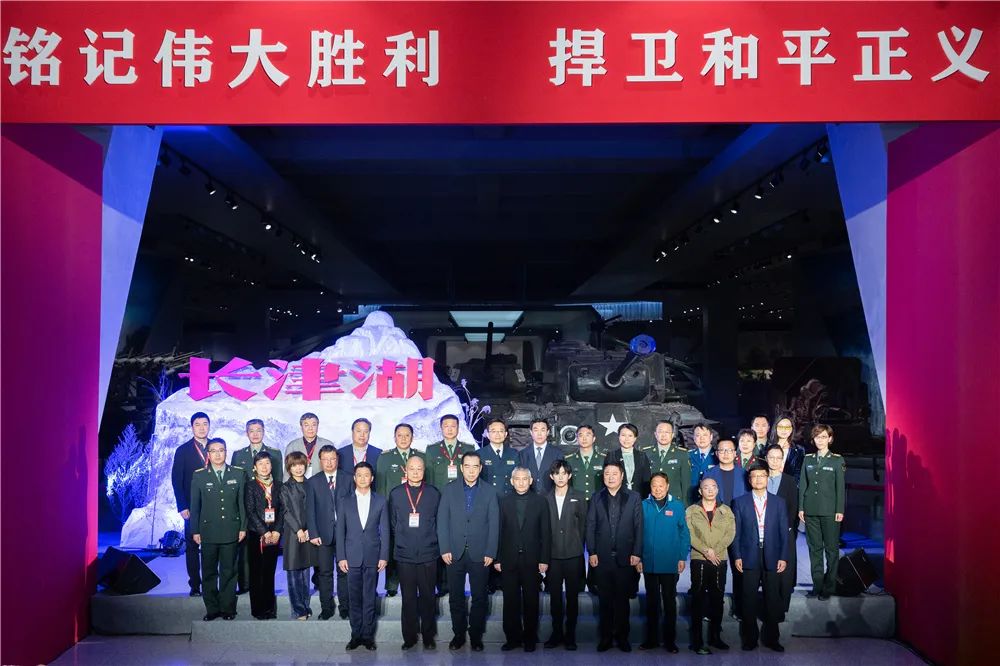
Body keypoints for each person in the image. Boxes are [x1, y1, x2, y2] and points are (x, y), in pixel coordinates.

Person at [437, 450, 500, 652]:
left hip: (480, 553)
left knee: (479, 597)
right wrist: (444, 548)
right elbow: (442, 521)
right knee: (455, 597)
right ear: (461, 468)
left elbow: (494, 524)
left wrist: (491, 551)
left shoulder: (490, 491)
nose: (471, 471)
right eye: (467, 466)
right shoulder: (449, 489)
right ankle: (458, 635)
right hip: (454, 552)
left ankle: (476, 636)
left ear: (480, 468)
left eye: (475, 467)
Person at [586, 462, 643, 652]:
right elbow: (590, 526)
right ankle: (606, 638)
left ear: (622, 476)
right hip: (602, 557)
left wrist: (636, 553)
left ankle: (622, 637)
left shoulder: (634, 497)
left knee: (622, 601)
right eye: (607, 474)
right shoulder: (596, 497)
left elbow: (639, 527)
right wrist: (592, 552)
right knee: (604, 601)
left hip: (626, 557)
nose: (610, 477)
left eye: (614, 473)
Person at [732, 465, 789, 652]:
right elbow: (736, 533)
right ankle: (750, 639)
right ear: (749, 480)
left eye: (762, 476)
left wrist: (783, 556)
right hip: (749, 554)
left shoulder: (778, 502)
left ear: (767, 478)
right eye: (754, 476)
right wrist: (737, 555)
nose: (758, 479)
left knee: (772, 597)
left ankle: (772, 639)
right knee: (748, 598)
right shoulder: (739, 502)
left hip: (772, 554)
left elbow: (784, 532)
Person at [190, 437, 246, 622]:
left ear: (226, 452)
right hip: (208, 531)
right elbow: (195, 506)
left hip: (231, 529)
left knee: (229, 572)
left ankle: (227, 608)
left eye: (221, 450)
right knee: (209, 572)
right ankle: (212, 609)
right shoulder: (199, 475)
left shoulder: (238, 474)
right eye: (213, 451)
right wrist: (195, 531)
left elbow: (242, 504)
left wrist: (243, 527)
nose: (217, 454)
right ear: (208, 454)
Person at [496, 467, 551, 652]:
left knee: (531, 601)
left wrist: (544, 559)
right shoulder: (503, 502)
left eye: (524, 479)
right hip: (508, 559)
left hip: (532, 559)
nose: (521, 482)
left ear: (531, 481)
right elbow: (498, 532)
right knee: (510, 601)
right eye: (517, 479)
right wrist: (497, 558)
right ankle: (512, 639)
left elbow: (546, 533)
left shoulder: (540, 501)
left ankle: (529, 639)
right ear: (512, 481)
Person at [389, 456, 441, 650]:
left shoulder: (433, 493)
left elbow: (438, 522)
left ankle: (428, 636)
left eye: (419, 469)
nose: (416, 472)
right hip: (405, 554)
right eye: (412, 468)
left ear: (424, 471)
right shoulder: (396, 493)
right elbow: (393, 524)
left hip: (428, 553)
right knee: (408, 598)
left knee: (428, 597)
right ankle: (409, 637)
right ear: (406, 470)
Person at [337, 462, 389, 651]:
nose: (363, 478)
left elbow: (385, 531)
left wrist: (384, 556)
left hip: (372, 556)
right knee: (354, 598)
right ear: (354, 478)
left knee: (369, 597)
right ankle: (355, 635)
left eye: (366, 475)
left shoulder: (380, 501)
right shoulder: (345, 501)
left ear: (372, 478)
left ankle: (368, 636)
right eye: (359, 475)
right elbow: (340, 531)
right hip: (351, 557)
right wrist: (341, 557)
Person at [425, 413, 477, 597]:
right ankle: (442, 585)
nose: (449, 429)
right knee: (442, 540)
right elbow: (429, 479)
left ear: (458, 428)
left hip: (462, 503)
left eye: (453, 426)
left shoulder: (468, 448)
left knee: (458, 540)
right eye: (446, 426)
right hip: (439, 502)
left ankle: (458, 582)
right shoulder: (432, 450)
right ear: (441, 428)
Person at [638, 472, 690, 653]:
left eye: (661, 485)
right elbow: (637, 534)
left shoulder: (677, 506)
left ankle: (670, 641)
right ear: (650, 487)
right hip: (649, 562)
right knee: (651, 603)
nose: (657, 489)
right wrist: (638, 557)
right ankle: (651, 639)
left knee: (669, 602)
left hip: (670, 562)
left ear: (667, 486)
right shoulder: (643, 505)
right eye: (654, 485)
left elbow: (684, 533)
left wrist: (682, 557)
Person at [231, 418, 283, 594]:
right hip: (245, 505)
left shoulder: (274, 454)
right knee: (245, 547)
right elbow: (236, 483)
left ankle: (266, 587)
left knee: (268, 551)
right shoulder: (239, 455)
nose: (255, 434)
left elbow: (278, 482)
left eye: (258, 430)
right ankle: (245, 583)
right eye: (251, 430)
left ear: (264, 432)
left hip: (267, 509)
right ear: (247, 433)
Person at [685, 477, 735, 655]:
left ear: (717, 490)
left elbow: (730, 533)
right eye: (706, 487)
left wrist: (716, 551)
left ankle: (715, 637)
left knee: (717, 597)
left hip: (719, 559)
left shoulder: (726, 510)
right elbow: (689, 533)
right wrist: (706, 550)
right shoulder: (692, 510)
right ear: (700, 491)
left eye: (713, 487)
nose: (710, 490)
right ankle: (697, 640)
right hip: (699, 558)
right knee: (698, 597)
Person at [375, 422, 424, 597]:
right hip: (393, 509)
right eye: (400, 435)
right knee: (393, 545)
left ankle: (416, 582)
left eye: (407, 435)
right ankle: (392, 583)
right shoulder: (385, 458)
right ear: (394, 437)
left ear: (412, 437)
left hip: (415, 508)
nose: (403, 439)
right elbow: (381, 487)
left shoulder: (421, 456)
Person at [305, 444, 353, 620]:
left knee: (344, 572)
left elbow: (354, 507)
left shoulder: (348, 478)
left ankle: (345, 607)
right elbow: (310, 510)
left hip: (345, 534)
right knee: (324, 573)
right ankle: (326, 608)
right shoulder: (313, 482)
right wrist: (313, 533)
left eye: (332, 458)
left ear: (337, 459)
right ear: (320, 461)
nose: (329, 462)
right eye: (325, 459)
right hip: (322, 535)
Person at [798, 424, 846, 601]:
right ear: (813, 439)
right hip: (811, 509)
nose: (820, 440)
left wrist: (839, 509)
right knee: (814, 549)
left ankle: (829, 586)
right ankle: (817, 585)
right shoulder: (808, 459)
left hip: (830, 511)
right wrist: (801, 507)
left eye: (824, 437)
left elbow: (840, 488)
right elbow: (803, 484)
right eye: (817, 437)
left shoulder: (837, 460)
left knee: (831, 550)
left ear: (830, 439)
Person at [544, 459, 587, 650]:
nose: (560, 477)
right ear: (551, 476)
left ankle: (570, 635)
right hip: (552, 556)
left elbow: (584, 525)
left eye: (564, 473)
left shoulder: (579, 496)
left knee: (572, 597)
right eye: (557, 473)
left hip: (573, 555)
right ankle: (556, 634)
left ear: (569, 475)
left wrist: (578, 544)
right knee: (554, 598)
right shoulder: (544, 498)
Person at [170, 411, 211, 597]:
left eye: (205, 424)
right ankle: (195, 585)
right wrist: (182, 506)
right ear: (192, 427)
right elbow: (176, 480)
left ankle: (210, 584)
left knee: (212, 547)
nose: (202, 428)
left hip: (214, 506)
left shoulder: (216, 447)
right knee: (193, 546)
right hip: (192, 507)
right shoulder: (183, 450)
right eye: (197, 424)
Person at [244, 451, 282, 620]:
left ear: (271, 465)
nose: (264, 467)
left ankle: (269, 608)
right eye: (260, 464)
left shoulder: (279, 485)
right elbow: (250, 512)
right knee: (256, 572)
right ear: (254, 468)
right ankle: (258, 609)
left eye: (267, 463)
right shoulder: (250, 486)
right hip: (257, 535)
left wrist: (277, 531)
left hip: (274, 536)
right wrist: (264, 531)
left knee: (269, 571)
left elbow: (283, 510)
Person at [280, 451, 316, 620]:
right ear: (289, 467)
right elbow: (286, 511)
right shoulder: (285, 487)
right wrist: (299, 530)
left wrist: (309, 529)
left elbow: (315, 509)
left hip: (308, 533)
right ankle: (298, 609)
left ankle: (305, 605)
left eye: (301, 464)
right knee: (294, 571)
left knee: (305, 571)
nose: (298, 468)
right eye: (294, 465)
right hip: (293, 534)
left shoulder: (311, 484)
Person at [764, 444, 800, 611]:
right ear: (766, 458)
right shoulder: (760, 478)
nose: (775, 461)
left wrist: (787, 528)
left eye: (778, 458)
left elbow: (793, 507)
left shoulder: (789, 481)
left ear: (782, 460)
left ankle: (782, 607)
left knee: (784, 570)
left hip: (784, 531)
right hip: (763, 531)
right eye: (771, 457)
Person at [644, 420, 691, 509]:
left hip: (674, 502)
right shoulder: (646, 453)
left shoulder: (682, 454)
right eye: (660, 432)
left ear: (672, 435)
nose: (663, 435)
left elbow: (686, 483)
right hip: (651, 503)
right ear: (655, 434)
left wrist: (685, 507)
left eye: (667, 432)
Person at [604, 423, 652, 497]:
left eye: (630, 436)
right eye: (623, 435)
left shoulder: (642, 456)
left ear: (635, 438)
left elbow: (647, 479)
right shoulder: (611, 455)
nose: (626, 439)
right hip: (616, 498)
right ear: (619, 437)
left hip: (639, 498)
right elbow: (606, 479)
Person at [519, 418, 564, 494]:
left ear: (547, 432)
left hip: (551, 497)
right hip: (529, 497)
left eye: (543, 430)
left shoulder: (557, 453)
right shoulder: (523, 454)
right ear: (531, 432)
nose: (539, 434)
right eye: (536, 430)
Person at [479, 418, 520, 497]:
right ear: (488, 434)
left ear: (505, 434)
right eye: (493, 431)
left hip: (509, 497)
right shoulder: (479, 454)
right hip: (488, 498)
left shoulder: (514, 454)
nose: (497, 434)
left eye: (501, 431)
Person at [285, 412, 334, 478]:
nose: (310, 428)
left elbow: (333, 470)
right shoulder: (292, 446)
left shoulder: (328, 444)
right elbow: (287, 473)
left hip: (321, 483)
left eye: (314, 425)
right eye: (306, 425)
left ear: (318, 426)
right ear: (301, 427)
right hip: (297, 484)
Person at [564, 424, 606, 500]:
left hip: (598, 501)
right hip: (576, 502)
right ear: (577, 439)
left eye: (587, 435)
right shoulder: (569, 460)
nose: (584, 438)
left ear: (594, 438)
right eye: (581, 435)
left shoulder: (603, 459)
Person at [703, 439, 746, 505]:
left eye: (729, 450)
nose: (726, 454)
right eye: (722, 450)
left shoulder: (744, 474)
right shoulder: (709, 474)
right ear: (716, 453)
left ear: (735, 453)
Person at [688, 424, 718, 504]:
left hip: (713, 500)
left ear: (711, 437)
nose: (701, 438)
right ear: (694, 438)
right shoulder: (688, 456)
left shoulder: (718, 456)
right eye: (698, 435)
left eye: (705, 435)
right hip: (692, 499)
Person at [770, 414, 805, 483]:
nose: (784, 430)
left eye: (787, 427)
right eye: (781, 427)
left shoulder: (799, 450)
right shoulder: (767, 448)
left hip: (790, 486)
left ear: (792, 429)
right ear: (775, 428)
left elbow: (799, 475)